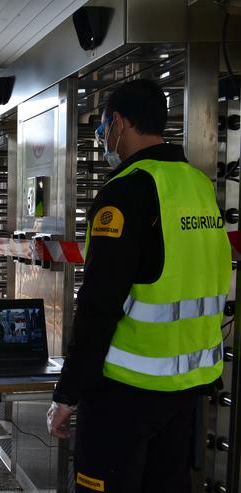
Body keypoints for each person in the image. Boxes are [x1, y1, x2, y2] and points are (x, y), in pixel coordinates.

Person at [46, 79, 231, 492]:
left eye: (104, 126)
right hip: (186, 388)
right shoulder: (199, 187)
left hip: (125, 392)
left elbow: (99, 303)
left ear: (120, 123)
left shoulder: (126, 192)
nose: (104, 137)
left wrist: (67, 393)